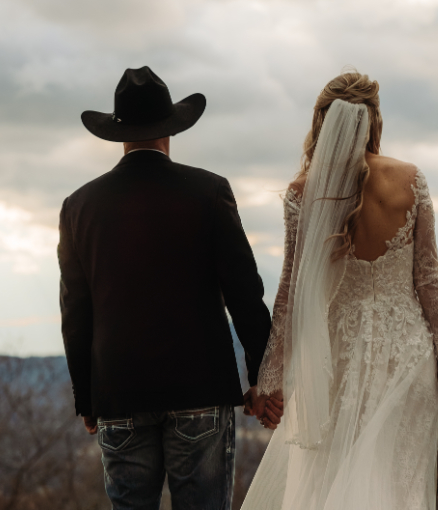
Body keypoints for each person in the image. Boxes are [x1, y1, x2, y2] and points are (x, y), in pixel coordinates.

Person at [242, 71, 438, 510]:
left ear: (321, 122)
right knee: (396, 489)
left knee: (331, 486)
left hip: (335, 362)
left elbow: (289, 292)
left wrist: (268, 380)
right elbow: (430, 280)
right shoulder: (411, 179)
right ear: (373, 120)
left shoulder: (302, 193)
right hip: (407, 359)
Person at [58, 66, 276, 510]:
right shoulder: (209, 191)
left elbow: (75, 313)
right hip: (201, 388)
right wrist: (262, 377)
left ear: (118, 134)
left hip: (118, 393)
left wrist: (87, 397)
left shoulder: (79, 207)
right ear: (171, 131)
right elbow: (244, 293)